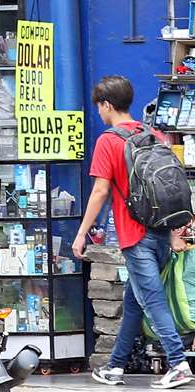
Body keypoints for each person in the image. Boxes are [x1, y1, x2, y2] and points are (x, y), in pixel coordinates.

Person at [72, 75, 193, 389]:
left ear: (107, 105)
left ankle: (178, 364)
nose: (98, 112)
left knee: (151, 300)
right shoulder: (150, 133)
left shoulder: (108, 141)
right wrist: (174, 233)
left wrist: (82, 233)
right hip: (160, 234)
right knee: (134, 302)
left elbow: (100, 191)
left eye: (99, 106)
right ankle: (114, 367)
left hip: (134, 237)